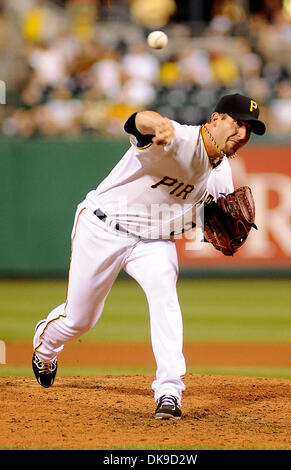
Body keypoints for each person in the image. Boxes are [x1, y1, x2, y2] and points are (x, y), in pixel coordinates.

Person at [32, 93, 266, 420]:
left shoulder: (222, 173)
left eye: (250, 130)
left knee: (165, 295)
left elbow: (219, 221)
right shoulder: (178, 138)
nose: (242, 134)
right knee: (80, 319)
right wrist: (158, 124)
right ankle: (45, 349)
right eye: (237, 123)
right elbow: (138, 122)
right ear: (215, 119)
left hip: (154, 242)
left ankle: (169, 390)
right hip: (103, 227)